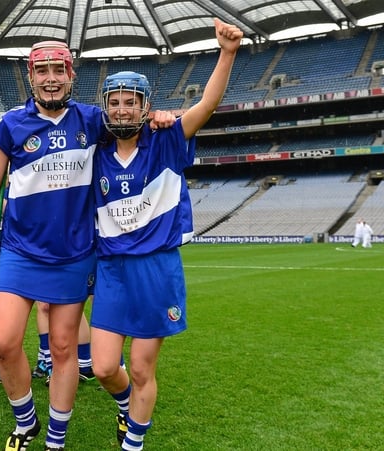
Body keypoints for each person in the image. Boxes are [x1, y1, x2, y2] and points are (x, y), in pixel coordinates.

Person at [0, 40, 174, 450]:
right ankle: (25, 419)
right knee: (6, 341)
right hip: (19, 250)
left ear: (71, 76)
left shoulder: (92, 119)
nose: (51, 80)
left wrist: (160, 118)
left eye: (58, 71)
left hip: (74, 254)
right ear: (31, 77)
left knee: (64, 349)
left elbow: (130, 124)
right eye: (42, 72)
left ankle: (55, 438)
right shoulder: (11, 125)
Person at [90, 18, 243, 451]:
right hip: (112, 270)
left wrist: (227, 52)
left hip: (156, 268)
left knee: (141, 369)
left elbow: (207, 106)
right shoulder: (95, 152)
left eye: (130, 102)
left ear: (144, 106)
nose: (121, 109)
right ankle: (127, 407)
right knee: (103, 367)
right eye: (114, 101)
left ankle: (133, 443)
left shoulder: (166, 140)